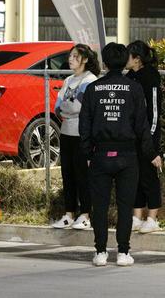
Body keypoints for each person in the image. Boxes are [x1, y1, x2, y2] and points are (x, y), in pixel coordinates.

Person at [79, 42, 162, 267]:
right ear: (124, 60)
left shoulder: (93, 89)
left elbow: (84, 125)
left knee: (101, 205)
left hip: (100, 154)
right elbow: (142, 126)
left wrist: (87, 153)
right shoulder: (133, 88)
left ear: (104, 63)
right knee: (125, 206)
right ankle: (123, 253)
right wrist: (151, 152)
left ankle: (100, 252)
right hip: (127, 155)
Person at [52, 44, 100, 230]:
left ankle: (85, 214)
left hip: (82, 135)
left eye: (74, 56)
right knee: (68, 174)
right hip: (66, 133)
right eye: (70, 56)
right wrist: (66, 106)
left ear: (85, 59)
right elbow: (57, 107)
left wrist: (66, 106)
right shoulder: (68, 80)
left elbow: (76, 106)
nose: (70, 59)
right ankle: (69, 213)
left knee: (83, 175)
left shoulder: (90, 80)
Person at [126, 40, 163, 234]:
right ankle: (137, 217)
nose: (125, 59)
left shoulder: (150, 77)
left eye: (128, 55)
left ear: (137, 59)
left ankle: (152, 218)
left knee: (149, 177)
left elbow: (154, 111)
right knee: (135, 177)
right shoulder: (130, 76)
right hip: (131, 137)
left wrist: (151, 140)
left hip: (147, 137)